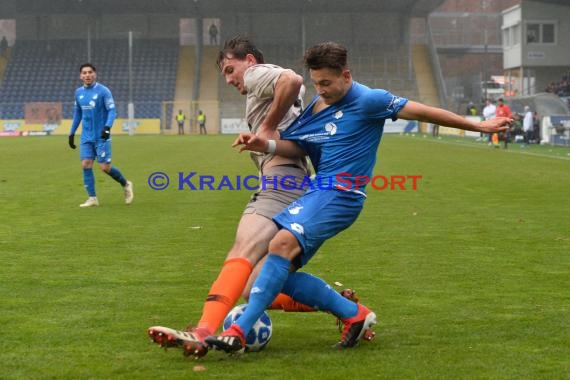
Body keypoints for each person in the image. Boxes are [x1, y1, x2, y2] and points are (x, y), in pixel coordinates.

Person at [206, 41, 511, 354]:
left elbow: (424, 111)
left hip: (343, 194)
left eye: (327, 83)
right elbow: (299, 147)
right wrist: (266, 146)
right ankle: (353, 314)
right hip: (318, 192)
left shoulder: (369, 100)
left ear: (346, 76)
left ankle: (237, 332)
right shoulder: (316, 108)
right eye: (316, 83)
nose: (321, 90)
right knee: (269, 274)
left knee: (280, 245)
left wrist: (476, 125)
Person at [147, 36, 363, 359]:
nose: (230, 79)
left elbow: (291, 79)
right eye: (224, 75)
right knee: (255, 283)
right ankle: (350, 310)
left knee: (243, 249)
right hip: (293, 182)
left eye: (230, 69)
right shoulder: (261, 85)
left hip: (281, 182)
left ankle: (203, 331)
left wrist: (266, 126)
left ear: (249, 60)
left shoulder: (257, 73)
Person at [68, 63, 134, 208]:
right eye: (84, 73)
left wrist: (107, 127)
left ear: (95, 74)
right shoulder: (78, 92)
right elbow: (77, 113)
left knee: (104, 167)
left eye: (90, 72)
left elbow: (112, 111)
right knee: (85, 164)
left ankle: (126, 184)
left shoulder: (104, 91)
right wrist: (72, 132)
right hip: (86, 136)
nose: (87, 75)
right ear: (80, 76)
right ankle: (92, 198)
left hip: (101, 136)